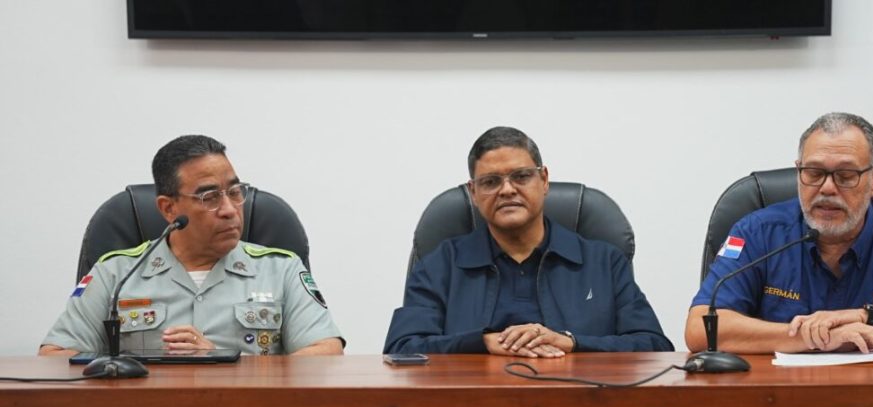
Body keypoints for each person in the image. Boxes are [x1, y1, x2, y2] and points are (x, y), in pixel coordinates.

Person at [686, 112, 873, 354]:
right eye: (814, 173)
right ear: (798, 171)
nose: (827, 188)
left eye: (846, 176)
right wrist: (812, 337)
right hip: (780, 399)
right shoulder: (758, 232)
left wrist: (870, 318)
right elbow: (700, 329)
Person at [39, 135, 344, 356]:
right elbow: (56, 355)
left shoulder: (281, 269)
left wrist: (225, 362)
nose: (229, 209)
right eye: (209, 197)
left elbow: (326, 353)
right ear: (168, 208)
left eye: (235, 192)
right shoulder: (116, 273)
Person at [385, 126, 673, 356]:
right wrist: (481, 343)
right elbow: (402, 348)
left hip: (580, 403)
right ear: (473, 193)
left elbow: (654, 346)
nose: (507, 190)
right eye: (491, 182)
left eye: (521, 176)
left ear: (544, 180)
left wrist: (571, 342)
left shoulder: (603, 262)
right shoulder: (440, 265)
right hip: (473, 406)